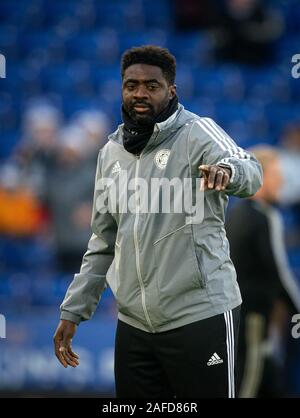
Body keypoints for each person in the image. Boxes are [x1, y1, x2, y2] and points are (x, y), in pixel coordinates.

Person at [53, 45, 262, 398]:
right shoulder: (110, 153)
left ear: (171, 90)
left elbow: (251, 170)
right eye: (131, 85)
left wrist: (227, 171)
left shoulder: (197, 133)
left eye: (151, 86)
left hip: (200, 315)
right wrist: (73, 309)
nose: (139, 93)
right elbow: (103, 243)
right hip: (134, 324)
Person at [226, 146, 300, 398]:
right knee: (248, 382)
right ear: (260, 176)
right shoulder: (265, 216)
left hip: (237, 315)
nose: (281, 181)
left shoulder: (236, 214)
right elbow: (280, 273)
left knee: (267, 380)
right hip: (253, 317)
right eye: (276, 174)